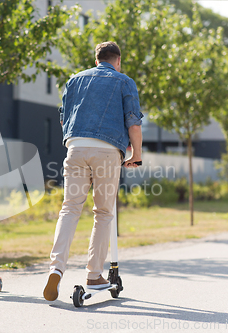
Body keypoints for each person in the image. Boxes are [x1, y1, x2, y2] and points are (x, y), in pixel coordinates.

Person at [43, 41, 143, 301]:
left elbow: (64, 118)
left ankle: (56, 268)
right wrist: (136, 155)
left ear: (96, 59)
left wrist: (74, 142)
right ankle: (93, 274)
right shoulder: (123, 81)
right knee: (104, 212)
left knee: (70, 208)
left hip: (75, 148)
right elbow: (133, 122)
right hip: (107, 151)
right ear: (117, 61)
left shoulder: (74, 80)